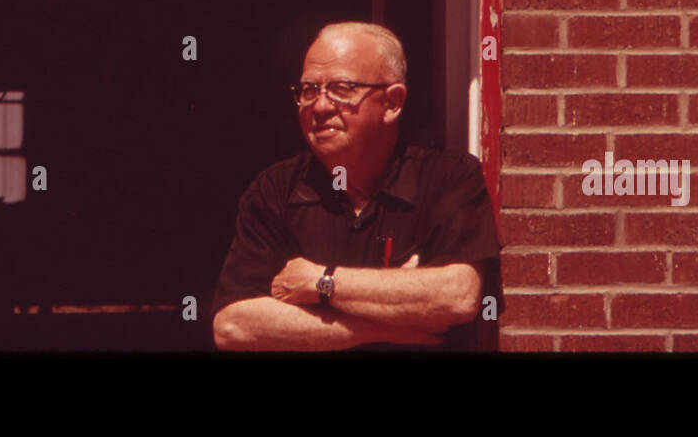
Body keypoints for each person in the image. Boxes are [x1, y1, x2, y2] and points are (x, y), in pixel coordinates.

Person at [211, 21, 501, 351]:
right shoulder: (274, 190)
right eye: (308, 91)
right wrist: (384, 325)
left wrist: (319, 282)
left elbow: (456, 296)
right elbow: (232, 325)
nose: (320, 107)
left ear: (392, 103)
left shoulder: (449, 179)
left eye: (341, 89)